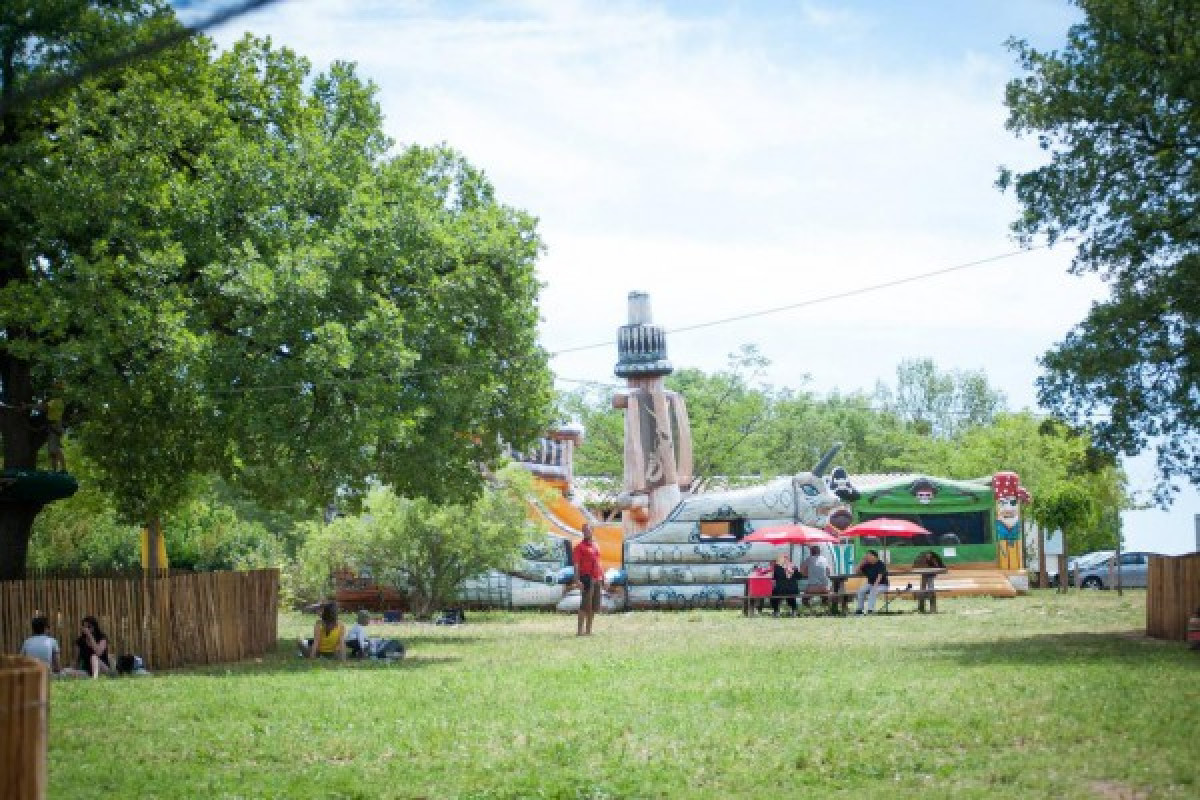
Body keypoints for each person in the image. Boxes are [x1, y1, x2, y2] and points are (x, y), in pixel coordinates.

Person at [573, 523, 605, 636]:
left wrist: (603, 577)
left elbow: (599, 562)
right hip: (586, 578)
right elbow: (576, 565)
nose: (586, 532)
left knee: (594, 606)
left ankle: (588, 631)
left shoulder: (596, 546)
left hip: (597, 578)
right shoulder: (579, 547)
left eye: (588, 530)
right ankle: (579, 631)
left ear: (592, 531)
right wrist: (577, 580)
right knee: (585, 605)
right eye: (584, 531)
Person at [855, 550, 889, 614]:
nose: (866, 558)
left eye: (868, 556)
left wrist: (874, 586)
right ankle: (859, 609)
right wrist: (861, 564)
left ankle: (870, 609)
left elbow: (879, 576)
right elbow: (857, 572)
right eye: (866, 556)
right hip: (870, 584)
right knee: (861, 591)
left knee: (873, 591)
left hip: (882, 585)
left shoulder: (880, 564)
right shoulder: (867, 565)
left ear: (874, 557)